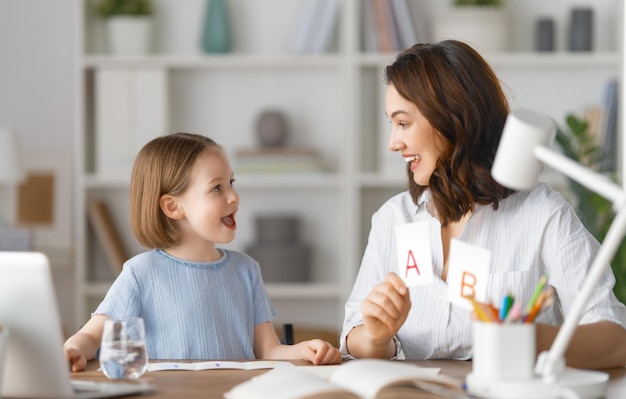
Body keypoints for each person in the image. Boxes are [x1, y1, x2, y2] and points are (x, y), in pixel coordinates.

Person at [340, 40, 626, 370]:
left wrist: (524, 337)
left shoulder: (543, 215)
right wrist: (376, 337)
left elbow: (616, 337)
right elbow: (351, 335)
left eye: (403, 123)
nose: (393, 143)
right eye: (392, 124)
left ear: (452, 118)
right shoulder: (393, 218)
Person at [64, 133, 341, 372]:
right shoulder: (140, 273)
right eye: (217, 188)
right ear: (173, 207)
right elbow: (92, 337)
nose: (233, 196)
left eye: (231, 183)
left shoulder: (246, 269)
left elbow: (268, 350)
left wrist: (304, 349)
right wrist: (74, 349)